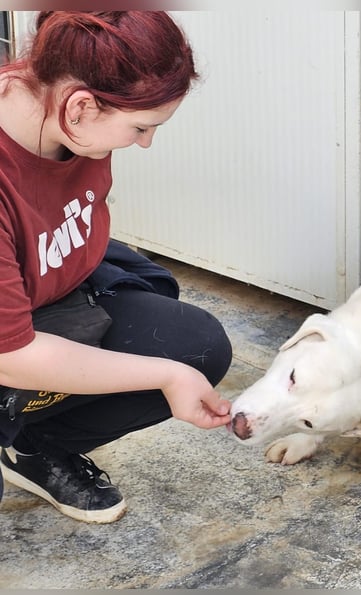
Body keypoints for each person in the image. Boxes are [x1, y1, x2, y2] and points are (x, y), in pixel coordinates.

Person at [0, 11, 233, 523]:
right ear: (81, 106)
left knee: (194, 342)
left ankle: (32, 445)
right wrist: (167, 375)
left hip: (50, 278)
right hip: (9, 340)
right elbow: (11, 355)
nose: (145, 143)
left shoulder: (59, 107)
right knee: (171, 366)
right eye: (141, 127)